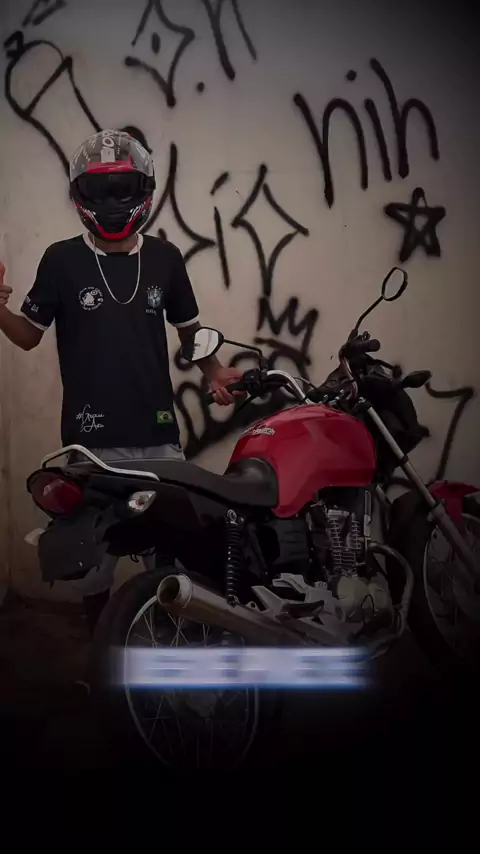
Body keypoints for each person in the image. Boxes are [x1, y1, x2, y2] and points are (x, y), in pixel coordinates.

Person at [0, 129, 243, 633]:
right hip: (89, 443)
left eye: (122, 189)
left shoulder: (165, 258)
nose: (112, 203)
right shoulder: (60, 260)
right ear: (79, 195)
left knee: (173, 553)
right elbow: (27, 336)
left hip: (158, 434)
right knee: (95, 561)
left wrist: (215, 370)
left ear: (144, 190)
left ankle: (172, 643)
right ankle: (103, 648)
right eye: (100, 191)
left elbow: (189, 331)